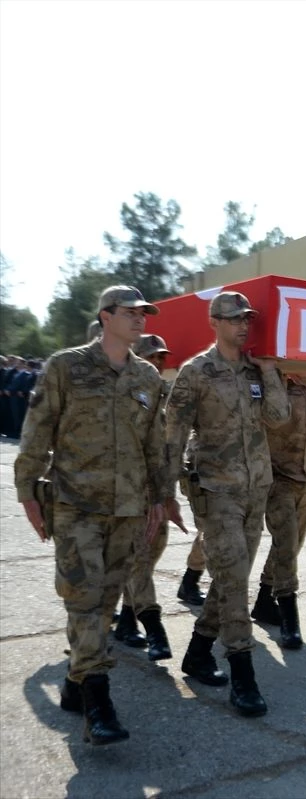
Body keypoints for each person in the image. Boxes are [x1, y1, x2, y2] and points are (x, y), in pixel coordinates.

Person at [15, 285, 176, 744]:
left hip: (128, 508)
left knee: (105, 603)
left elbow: (154, 445)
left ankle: (74, 683)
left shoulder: (147, 377)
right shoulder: (65, 366)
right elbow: (37, 430)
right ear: (106, 316)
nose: (141, 319)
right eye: (131, 312)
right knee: (84, 599)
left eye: (144, 313)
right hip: (75, 505)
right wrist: (27, 491)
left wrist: (159, 499)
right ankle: (99, 704)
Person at [165, 291, 290, 717]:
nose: (243, 325)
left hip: (256, 490)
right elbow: (173, 435)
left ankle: (198, 652)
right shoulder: (196, 372)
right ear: (214, 321)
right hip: (215, 491)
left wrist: (271, 372)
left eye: (247, 320)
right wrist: (166, 492)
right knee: (236, 582)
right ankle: (243, 674)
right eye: (234, 319)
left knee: (228, 579)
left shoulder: (257, 371)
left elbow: (278, 418)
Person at [248, 370, 306, 649]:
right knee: (286, 544)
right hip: (277, 478)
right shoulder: (279, 385)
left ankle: (264, 599)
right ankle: (289, 618)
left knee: (291, 546)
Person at [113, 334, 177, 660]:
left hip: (157, 491)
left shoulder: (163, 394)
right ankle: (153, 628)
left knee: (149, 557)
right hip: (126, 493)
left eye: (161, 358)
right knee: (138, 560)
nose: (158, 363)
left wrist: (169, 496)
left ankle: (126, 621)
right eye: (151, 357)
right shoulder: (123, 392)